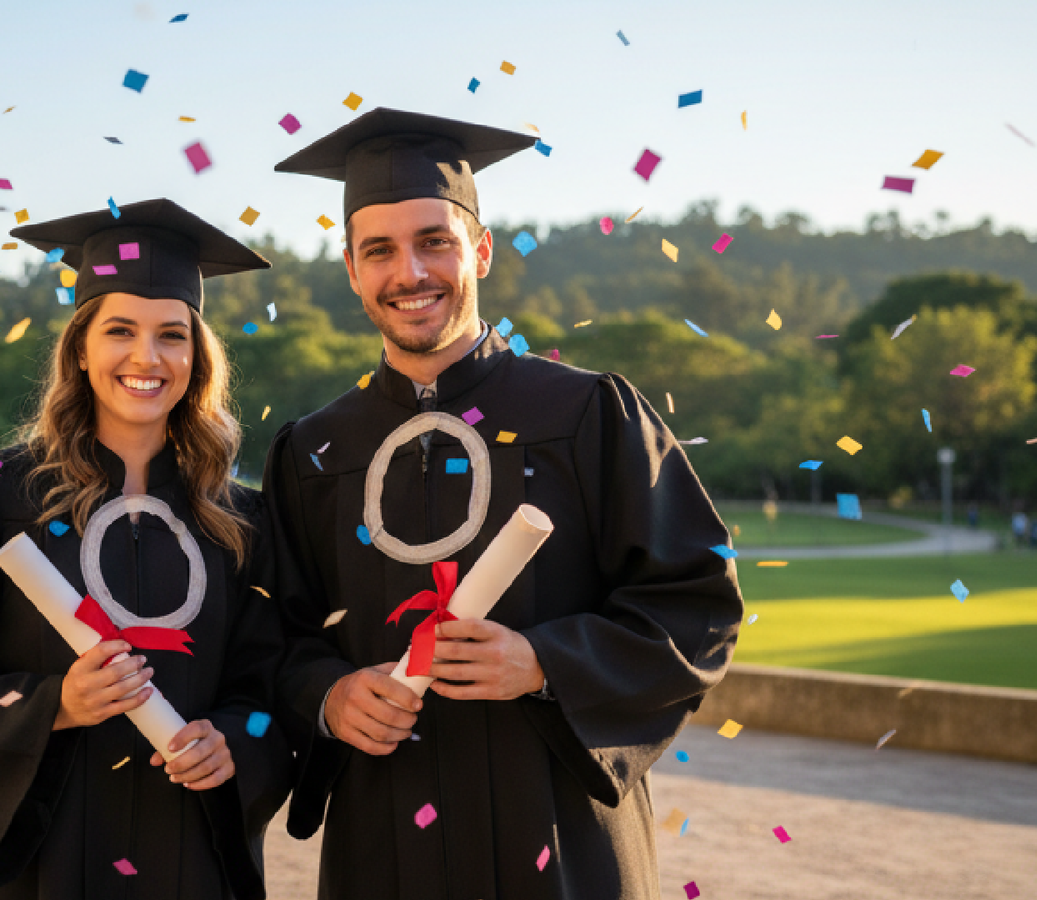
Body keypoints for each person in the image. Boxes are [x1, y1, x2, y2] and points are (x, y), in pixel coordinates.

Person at [263, 109, 746, 900]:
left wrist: (546, 663)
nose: (410, 272)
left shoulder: (589, 415)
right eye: (379, 250)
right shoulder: (316, 452)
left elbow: (698, 604)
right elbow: (269, 636)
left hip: (560, 839)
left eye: (435, 241)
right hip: (382, 842)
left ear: (480, 250)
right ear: (350, 268)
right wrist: (327, 695)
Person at [0, 199, 292, 900]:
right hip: (34, 865)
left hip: (181, 856)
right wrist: (51, 703)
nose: (146, 357)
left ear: (198, 354)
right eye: (119, 330)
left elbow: (272, 685)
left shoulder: (237, 521)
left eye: (171, 335)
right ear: (80, 347)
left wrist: (234, 744)